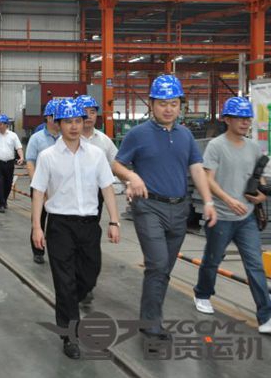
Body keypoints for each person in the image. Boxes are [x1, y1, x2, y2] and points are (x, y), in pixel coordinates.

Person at [112, 74, 217, 342]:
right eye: (162, 103)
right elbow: (117, 164)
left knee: (164, 268)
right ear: (151, 104)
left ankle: (150, 317)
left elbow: (197, 169)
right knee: (157, 264)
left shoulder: (186, 136)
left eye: (173, 103)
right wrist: (132, 177)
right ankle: (151, 324)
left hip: (179, 209)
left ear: (180, 105)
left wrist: (207, 201)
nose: (168, 109)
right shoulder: (138, 134)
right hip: (149, 207)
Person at [31, 99, 121, 359]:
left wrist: (114, 221)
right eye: (68, 121)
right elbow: (38, 192)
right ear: (58, 124)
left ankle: (71, 301)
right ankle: (69, 335)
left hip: (89, 225)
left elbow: (107, 187)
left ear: (84, 123)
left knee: (89, 275)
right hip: (60, 225)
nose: (74, 126)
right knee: (64, 282)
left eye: (78, 121)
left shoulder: (96, 154)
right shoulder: (48, 156)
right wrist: (37, 227)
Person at [192, 96, 271, 334]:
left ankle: (265, 315)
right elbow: (208, 179)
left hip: (246, 218)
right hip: (221, 217)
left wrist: (261, 195)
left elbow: (258, 177)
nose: (246, 122)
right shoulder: (216, 146)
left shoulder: (253, 147)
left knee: (255, 265)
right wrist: (228, 200)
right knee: (212, 260)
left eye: (248, 118)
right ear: (227, 119)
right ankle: (202, 293)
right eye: (240, 118)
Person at [75, 95, 118, 305]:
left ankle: (86, 282)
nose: (89, 116)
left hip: (95, 197)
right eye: (85, 112)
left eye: (92, 112)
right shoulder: (69, 138)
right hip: (72, 197)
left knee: (89, 240)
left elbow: (116, 164)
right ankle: (78, 283)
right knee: (73, 242)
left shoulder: (103, 141)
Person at [25, 98, 61, 264]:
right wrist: (37, 185)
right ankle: (38, 251)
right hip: (40, 185)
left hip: (60, 186)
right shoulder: (36, 138)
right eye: (53, 116)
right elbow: (30, 162)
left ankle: (57, 250)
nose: (56, 120)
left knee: (58, 221)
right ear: (47, 117)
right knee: (38, 218)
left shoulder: (65, 138)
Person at [0, 114, 24, 213]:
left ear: (6, 125)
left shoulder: (13, 135)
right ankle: (1, 204)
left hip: (9, 163)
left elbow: (18, 147)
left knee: (8, 183)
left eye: (0, 124)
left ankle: (4, 200)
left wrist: (21, 157)